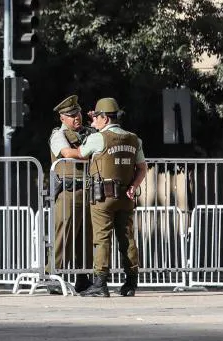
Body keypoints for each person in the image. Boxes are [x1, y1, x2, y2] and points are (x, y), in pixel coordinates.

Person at [72, 97, 148, 297]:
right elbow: (142, 168)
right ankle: (131, 283)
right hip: (126, 196)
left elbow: (81, 153)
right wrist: (133, 186)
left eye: (97, 116)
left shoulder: (99, 138)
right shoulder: (133, 138)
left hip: (103, 196)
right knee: (127, 239)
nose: (94, 120)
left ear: (105, 118)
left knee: (102, 238)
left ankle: (100, 283)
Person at [48, 95, 94, 293]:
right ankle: (53, 277)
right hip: (69, 192)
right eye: (71, 114)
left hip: (89, 191)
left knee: (87, 238)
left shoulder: (89, 133)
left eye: (79, 113)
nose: (77, 117)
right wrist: (89, 151)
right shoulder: (59, 134)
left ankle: (84, 278)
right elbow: (67, 153)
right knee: (64, 236)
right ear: (62, 118)